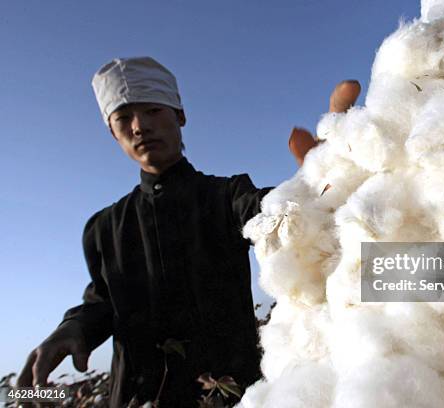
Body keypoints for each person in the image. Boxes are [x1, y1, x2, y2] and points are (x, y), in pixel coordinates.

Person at [17, 56, 360, 407]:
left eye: (152, 111)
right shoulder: (104, 228)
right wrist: (73, 328)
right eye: (123, 118)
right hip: (139, 397)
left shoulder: (226, 196)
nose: (139, 127)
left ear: (179, 115)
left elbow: (273, 212)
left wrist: (319, 175)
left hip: (230, 395)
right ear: (112, 132)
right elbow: (103, 300)